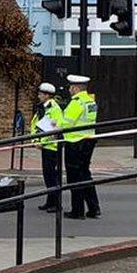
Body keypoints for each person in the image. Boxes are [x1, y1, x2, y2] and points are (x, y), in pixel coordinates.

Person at [61, 74, 100, 219]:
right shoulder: (90, 101)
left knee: (74, 177)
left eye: (71, 87)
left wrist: (52, 123)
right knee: (85, 174)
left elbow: (66, 122)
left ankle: (77, 211)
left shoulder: (76, 102)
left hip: (75, 143)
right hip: (89, 141)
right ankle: (94, 208)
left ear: (76, 88)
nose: (69, 89)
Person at [31, 82, 64, 212]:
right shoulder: (43, 107)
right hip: (46, 146)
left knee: (51, 176)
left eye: (40, 94)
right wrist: (35, 140)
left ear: (47, 95)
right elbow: (36, 126)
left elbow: (54, 129)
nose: (38, 95)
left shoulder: (54, 109)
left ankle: (56, 203)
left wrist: (42, 142)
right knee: (48, 175)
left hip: (52, 147)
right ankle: (50, 202)